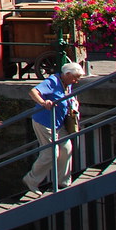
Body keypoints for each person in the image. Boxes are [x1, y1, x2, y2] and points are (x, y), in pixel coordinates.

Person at [24, 61, 85, 194]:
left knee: (66, 148)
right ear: (67, 74)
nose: (76, 81)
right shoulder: (53, 81)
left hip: (58, 123)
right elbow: (33, 92)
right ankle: (31, 180)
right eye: (75, 78)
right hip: (45, 122)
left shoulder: (67, 83)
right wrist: (43, 102)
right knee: (51, 153)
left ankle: (63, 181)